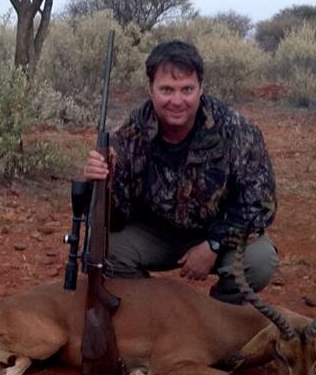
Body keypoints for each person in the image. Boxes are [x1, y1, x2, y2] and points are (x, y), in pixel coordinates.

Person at [84, 39, 277, 304]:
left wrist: (214, 244)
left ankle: (219, 314)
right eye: (166, 89)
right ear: (150, 89)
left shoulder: (236, 129)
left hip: (216, 232)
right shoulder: (129, 134)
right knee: (104, 248)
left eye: (187, 89)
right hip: (154, 234)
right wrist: (105, 181)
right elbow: (115, 219)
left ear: (201, 89)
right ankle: (158, 312)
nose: (177, 101)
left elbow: (259, 205)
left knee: (259, 260)